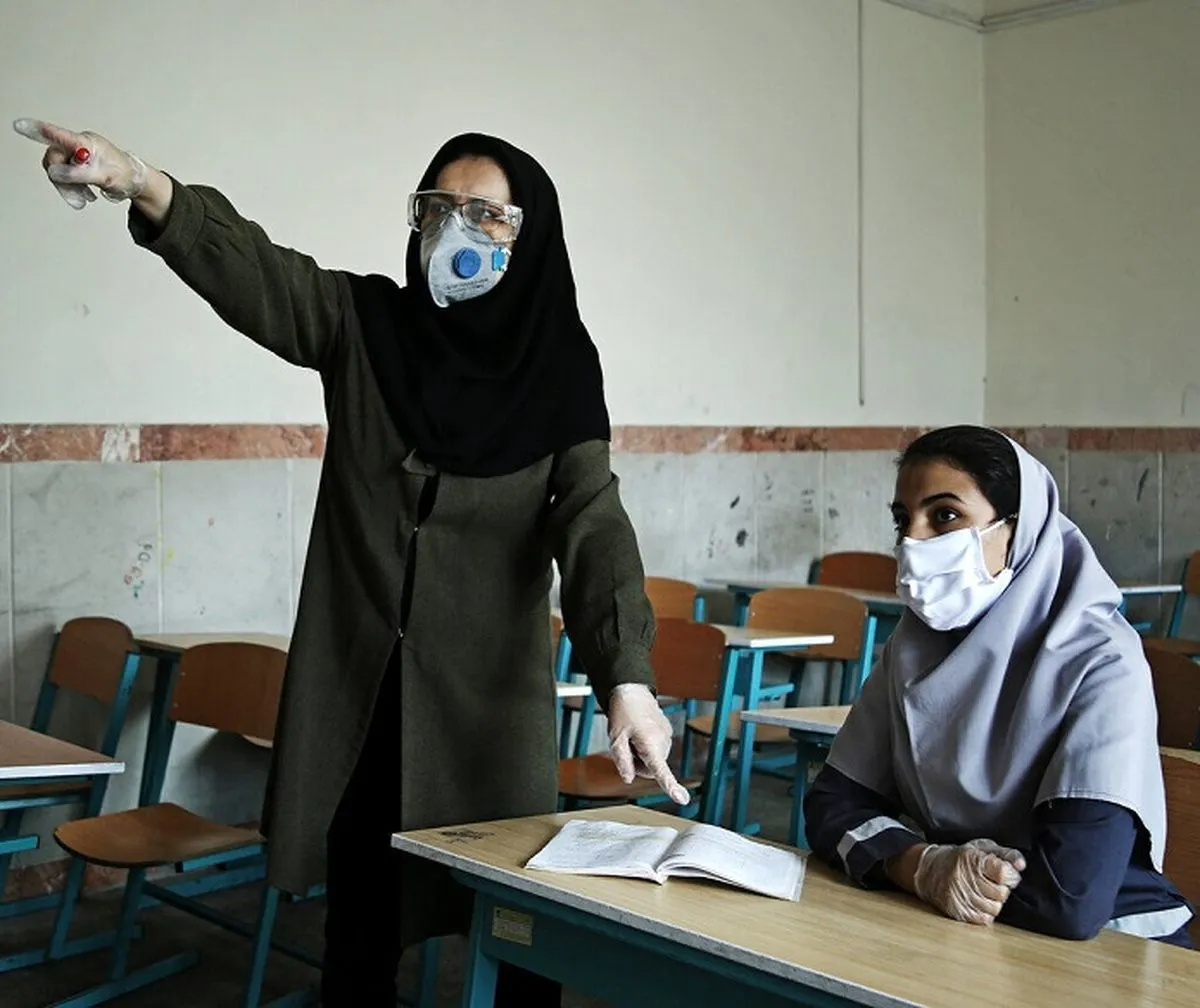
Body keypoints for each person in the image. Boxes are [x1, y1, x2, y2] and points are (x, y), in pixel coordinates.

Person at [15, 117, 691, 1005]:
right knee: (361, 936)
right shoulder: (366, 326)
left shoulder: (561, 368)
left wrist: (626, 677)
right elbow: (259, 273)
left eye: (487, 214)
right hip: (364, 704)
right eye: (438, 208)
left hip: (487, 715)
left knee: (516, 931)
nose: (455, 230)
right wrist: (140, 181)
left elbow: (595, 523)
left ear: (531, 236)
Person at [805, 425, 1194, 947]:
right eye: (903, 520)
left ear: (1020, 528)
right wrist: (921, 866)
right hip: (963, 930)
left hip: (1118, 946)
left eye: (945, 516)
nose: (913, 542)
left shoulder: (1100, 661)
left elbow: (1069, 899)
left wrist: (910, 861)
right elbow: (828, 807)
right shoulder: (912, 649)